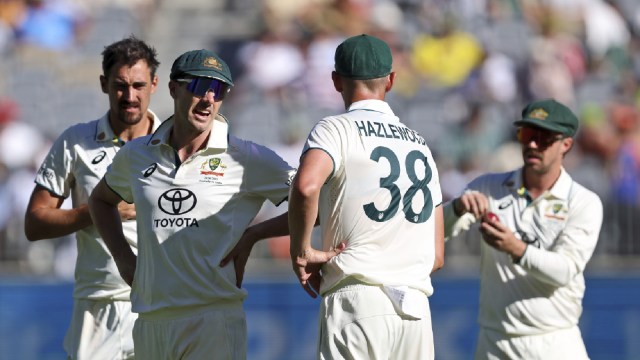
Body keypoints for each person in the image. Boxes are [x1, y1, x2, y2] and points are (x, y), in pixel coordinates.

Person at [88, 48, 295, 360]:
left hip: (212, 319)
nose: (209, 98)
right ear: (173, 89)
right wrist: (122, 256)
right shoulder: (135, 154)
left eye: (219, 90)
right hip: (150, 320)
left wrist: (255, 234)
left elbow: (319, 202)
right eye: (199, 87)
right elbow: (101, 200)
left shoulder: (246, 157)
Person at [288, 34, 445, 360]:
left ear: (336, 80)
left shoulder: (334, 129)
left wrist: (301, 250)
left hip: (358, 301)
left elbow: (306, 186)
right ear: (391, 80)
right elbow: (437, 257)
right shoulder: (420, 145)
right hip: (416, 311)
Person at [23, 35, 161, 360]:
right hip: (99, 302)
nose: (130, 96)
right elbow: (34, 222)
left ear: (154, 84)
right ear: (103, 84)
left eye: (139, 85)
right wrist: (98, 211)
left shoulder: (176, 143)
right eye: (120, 85)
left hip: (163, 302)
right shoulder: (75, 142)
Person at [443, 99, 603, 359]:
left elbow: (565, 270)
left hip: (554, 342)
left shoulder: (583, 202)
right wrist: (457, 208)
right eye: (527, 134)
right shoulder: (487, 187)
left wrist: (515, 248)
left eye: (544, 138)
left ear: (566, 145)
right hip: (495, 342)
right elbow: (435, 233)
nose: (531, 144)